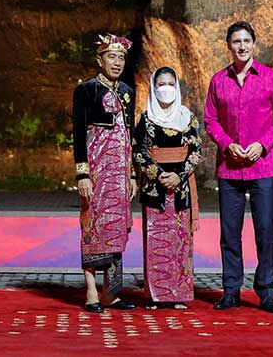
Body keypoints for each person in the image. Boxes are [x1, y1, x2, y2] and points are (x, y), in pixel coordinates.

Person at [204, 21, 273, 314]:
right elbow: (210, 121)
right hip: (229, 167)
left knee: (265, 231)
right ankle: (231, 290)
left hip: (264, 166)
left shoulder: (272, 78)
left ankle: (266, 291)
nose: (241, 46)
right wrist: (226, 143)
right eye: (235, 42)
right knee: (230, 233)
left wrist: (261, 145)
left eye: (246, 41)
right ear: (228, 46)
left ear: (255, 44)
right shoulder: (218, 80)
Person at [73, 33, 137, 313]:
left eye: (122, 58)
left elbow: (131, 133)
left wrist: (133, 174)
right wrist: (82, 174)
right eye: (112, 56)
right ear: (100, 60)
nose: (117, 62)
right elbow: (78, 133)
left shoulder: (127, 91)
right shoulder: (86, 90)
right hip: (97, 172)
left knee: (116, 228)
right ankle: (90, 291)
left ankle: (111, 292)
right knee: (93, 225)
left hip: (121, 173)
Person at [133, 66, 202, 310]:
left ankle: (178, 295)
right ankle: (156, 295)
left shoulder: (188, 118)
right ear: (153, 88)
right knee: (157, 242)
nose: (166, 89)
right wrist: (160, 175)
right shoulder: (146, 119)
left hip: (181, 190)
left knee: (181, 243)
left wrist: (178, 176)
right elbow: (138, 152)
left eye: (170, 84)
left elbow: (195, 152)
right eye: (161, 84)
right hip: (155, 190)